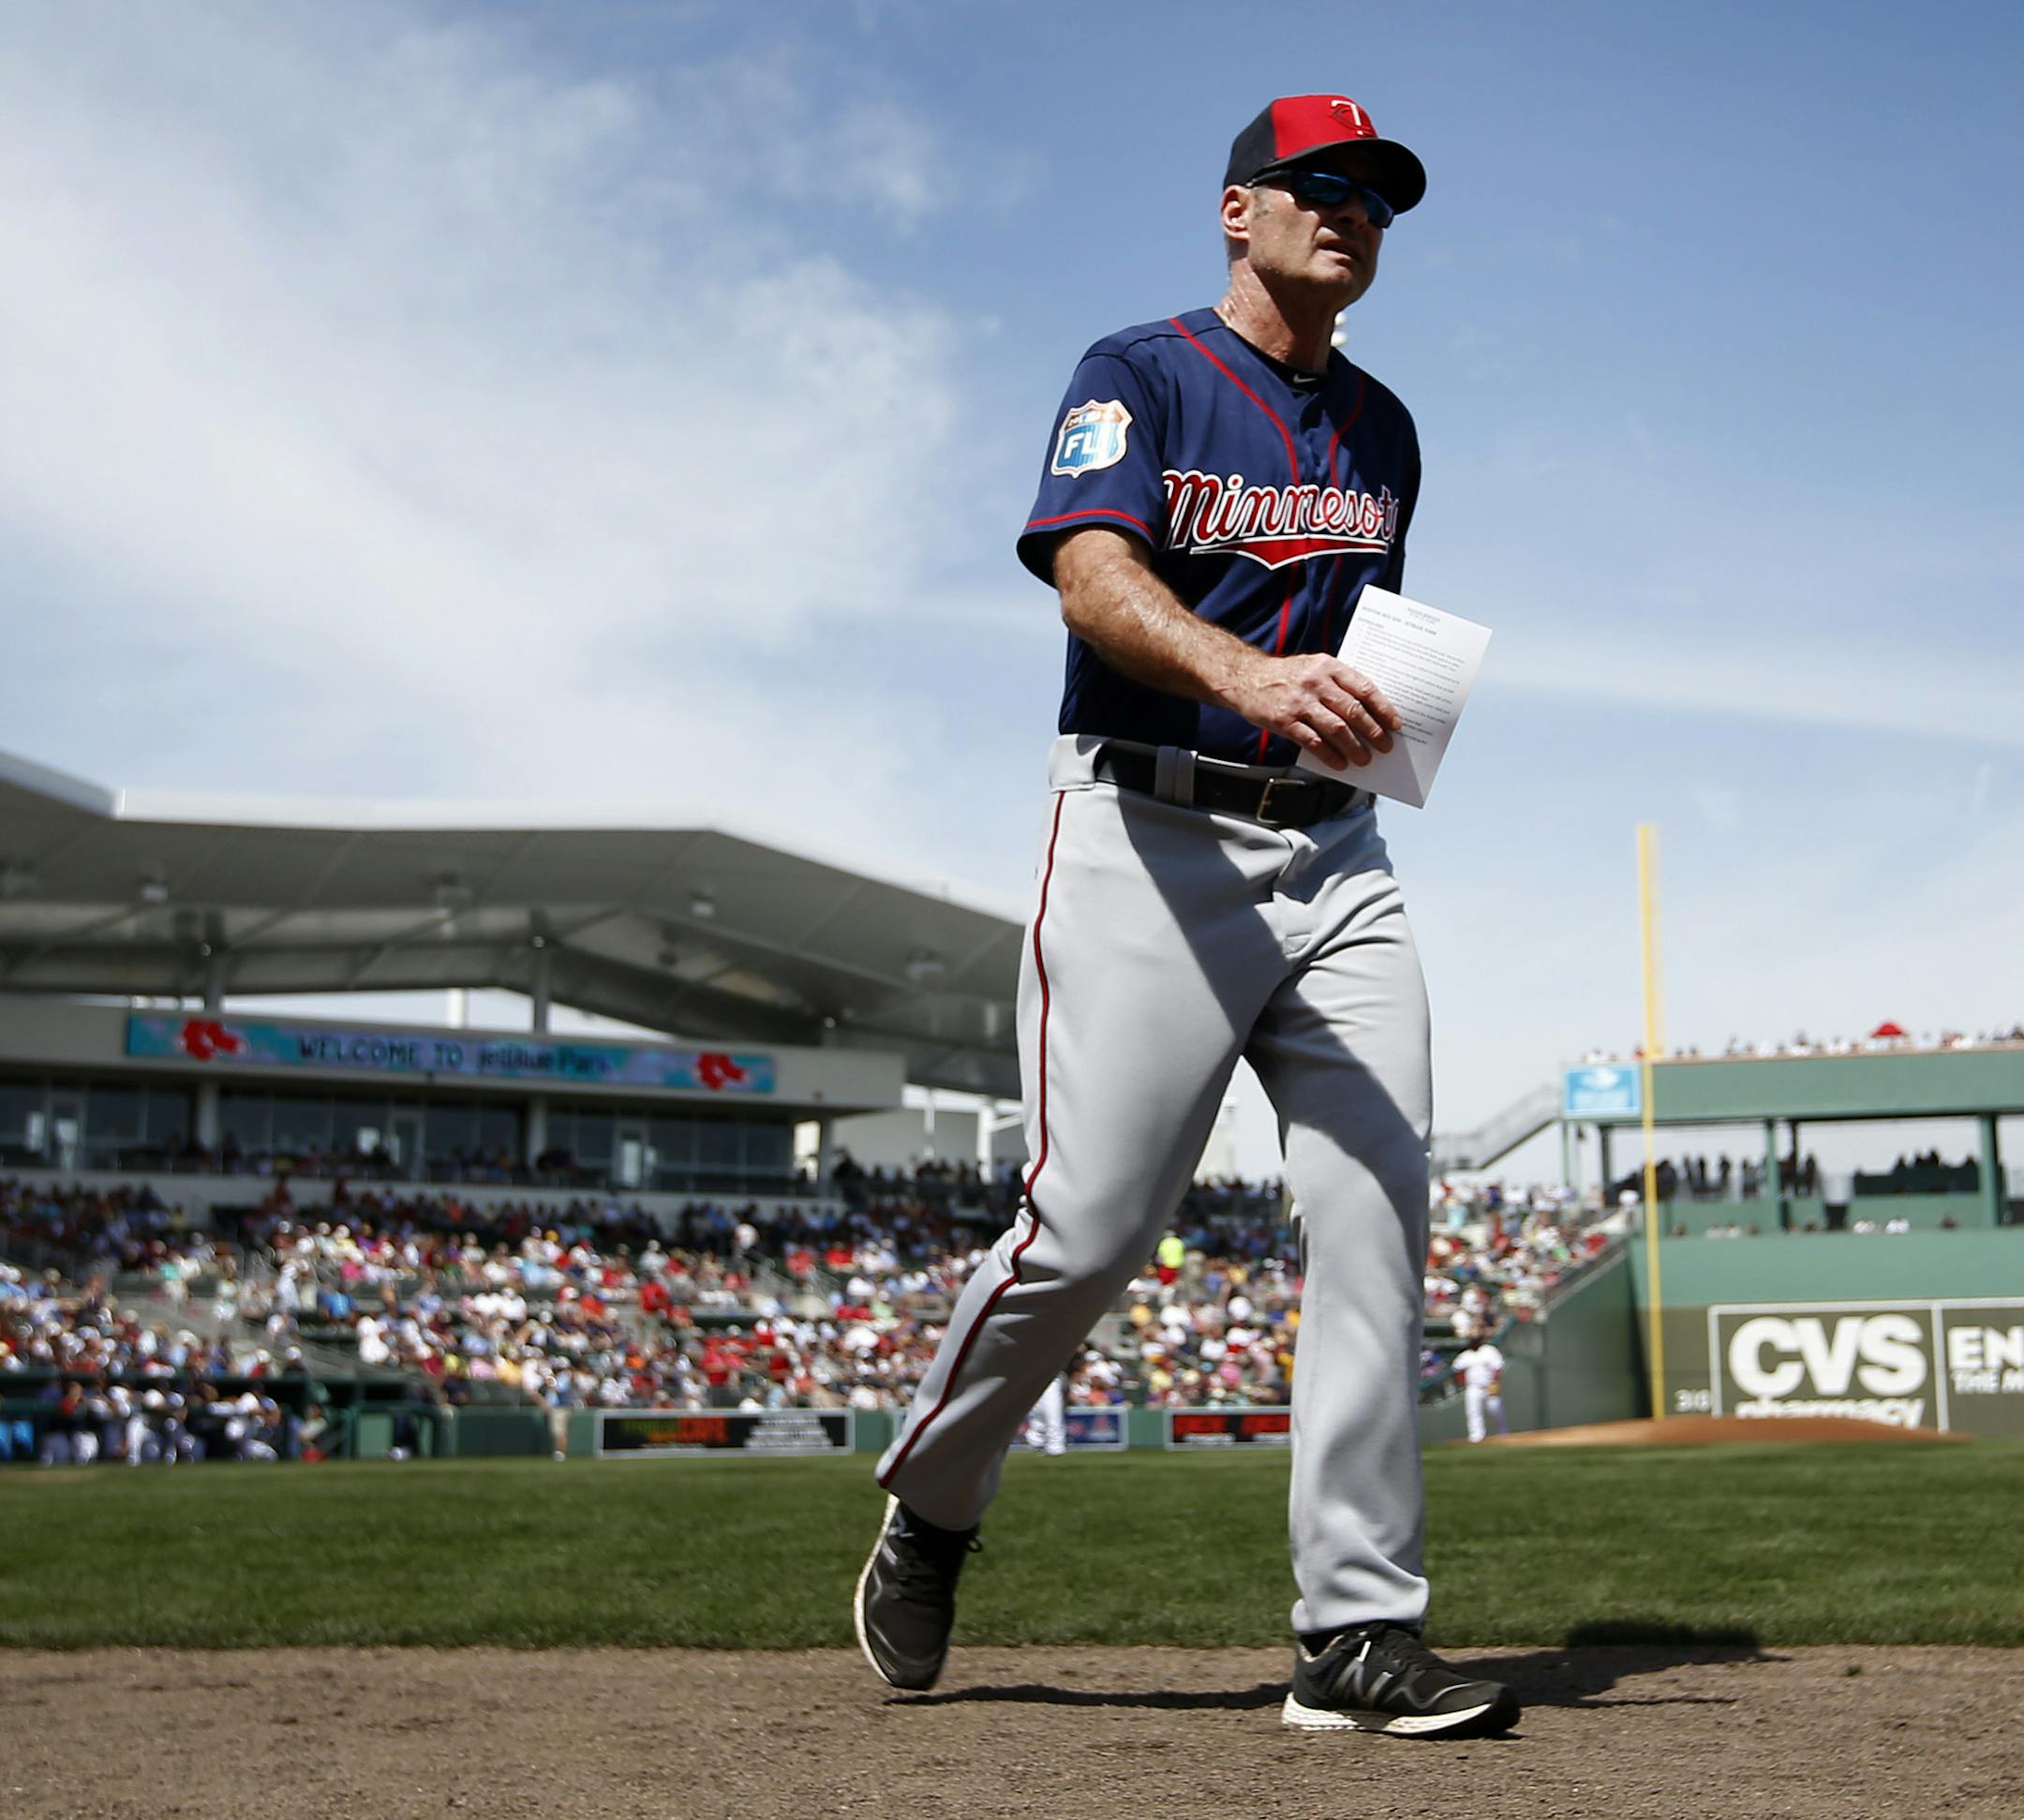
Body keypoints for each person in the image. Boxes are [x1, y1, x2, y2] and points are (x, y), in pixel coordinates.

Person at [855, 92, 1519, 1739]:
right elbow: (1092, 574)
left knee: (1378, 1208)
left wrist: (1386, 710)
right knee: (1087, 1234)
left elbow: (1350, 636)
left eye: (1376, 195)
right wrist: (1245, 672)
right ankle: (934, 1502)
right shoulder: (1135, 372)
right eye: (1320, 187)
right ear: (1238, 209)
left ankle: (1354, 1632)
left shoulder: (1386, 426)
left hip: (1340, 856)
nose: (1352, 213)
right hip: (1149, 834)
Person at [1452, 1335, 1509, 1443]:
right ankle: (1476, 1436)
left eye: (1476, 1339)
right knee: (1473, 1411)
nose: (1474, 1342)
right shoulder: (1465, 1355)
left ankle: (1503, 1432)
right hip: (1473, 1387)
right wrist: (1462, 1381)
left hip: (1489, 1385)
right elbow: (1457, 1369)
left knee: (1495, 1409)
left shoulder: (1489, 1351)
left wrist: (1495, 1382)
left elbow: (1498, 1367)